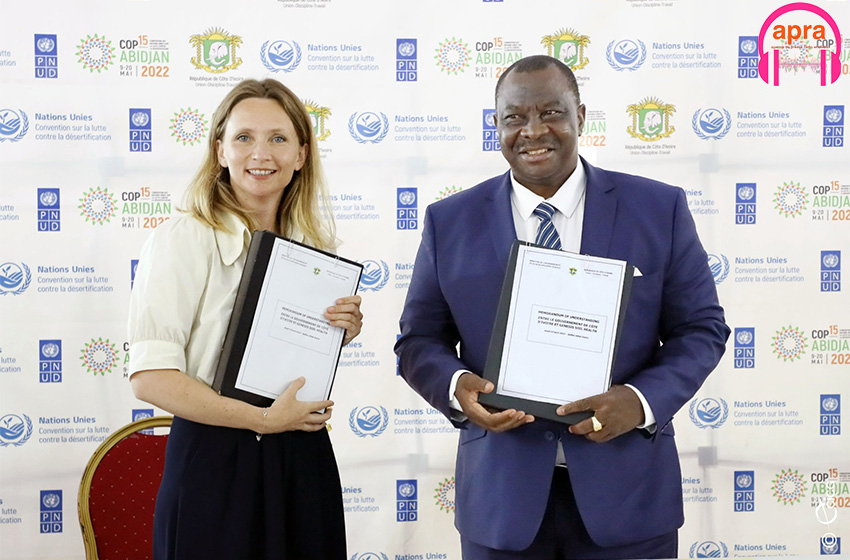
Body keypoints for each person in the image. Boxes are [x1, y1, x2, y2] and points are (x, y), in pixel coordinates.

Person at [395, 55, 729, 559]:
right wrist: (457, 387)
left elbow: (701, 329)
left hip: (628, 499)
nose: (533, 131)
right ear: (496, 126)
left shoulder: (659, 209)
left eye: (552, 112)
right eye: (514, 118)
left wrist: (638, 401)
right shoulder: (450, 221)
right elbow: (419, 340)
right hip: (502, 504)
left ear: (581, 117)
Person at [128, 78, 362, 560]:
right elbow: (150, 378)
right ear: (219, 151)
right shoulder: (183, 238)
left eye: (278, 138)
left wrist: (340, 330)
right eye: (243, 137)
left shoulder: (314, 248)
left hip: (302, 457)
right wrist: (262, 419)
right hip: (214, 463)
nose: (262, 153)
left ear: (301, 154)